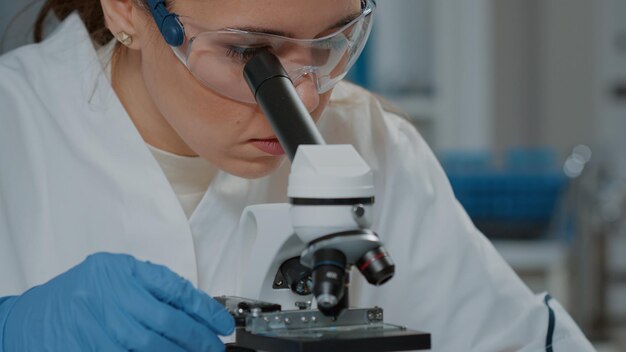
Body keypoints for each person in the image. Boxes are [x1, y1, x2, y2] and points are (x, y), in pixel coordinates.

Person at [0, 0, 595, 351]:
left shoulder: (368, 141)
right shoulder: (15, 125)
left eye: (330, 44)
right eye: (249, 52)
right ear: (127, 8)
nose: (308, 102)